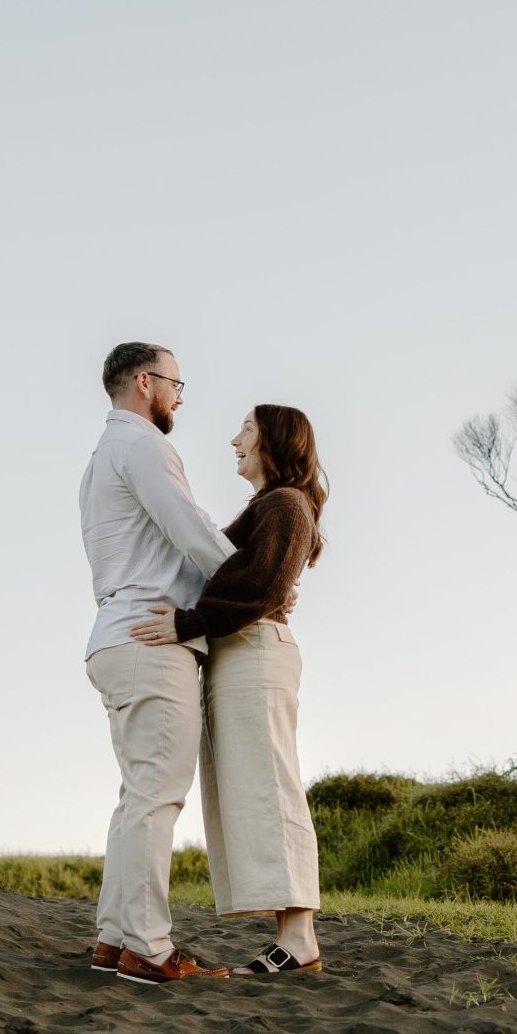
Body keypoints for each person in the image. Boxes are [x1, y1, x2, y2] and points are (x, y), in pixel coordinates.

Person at [131, 405, 326, 975]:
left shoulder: (287, 504)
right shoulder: (266, 507)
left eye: (246, 429)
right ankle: (289, 934)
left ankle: (300, 938)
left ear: (274, 440)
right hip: (238, 654)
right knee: (251, 791)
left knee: (272, 785)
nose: (234, 439)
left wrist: (185, 622)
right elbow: (239, 575)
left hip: (257, 653)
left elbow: (264, 584)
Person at [79, 341, 238, 986]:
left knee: (135, 798)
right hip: (150, 636)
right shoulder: (144, 445)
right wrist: (255, 580)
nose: (179, 396)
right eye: (176, 384)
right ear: (145, 383)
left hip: (115, 639)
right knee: (155, 798)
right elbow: (190, 527)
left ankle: (114, 941)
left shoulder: (98, 460)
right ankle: (148, 948)